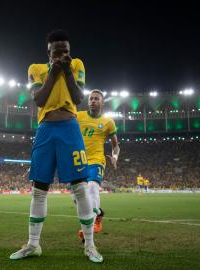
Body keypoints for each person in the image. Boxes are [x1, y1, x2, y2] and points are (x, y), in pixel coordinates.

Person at [10, 29, 103, 263]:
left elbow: (77, 97)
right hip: (45, 129)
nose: (62, 55)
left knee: (80, 188)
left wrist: (66, 71)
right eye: (57, 51)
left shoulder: (77, 65)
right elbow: (39, 99)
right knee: (39, 189)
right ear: (48, 52)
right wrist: (53, 71)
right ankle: (33, 244)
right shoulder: (36, 69)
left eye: (66, 51)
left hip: (70, 128)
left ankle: (90, 245)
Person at [76, 90, 119, 243]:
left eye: (96, 99)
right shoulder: (78, 116)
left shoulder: (108, 122)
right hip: (79, 161)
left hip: (97, 160)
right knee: (78, 199)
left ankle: (90, 228)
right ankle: (99, 213)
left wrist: (115, 157)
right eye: (91, 99)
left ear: (102, 103)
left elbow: (115, 145)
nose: (93, 101)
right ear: (88, 102)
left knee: (93, 188)